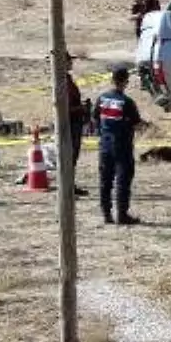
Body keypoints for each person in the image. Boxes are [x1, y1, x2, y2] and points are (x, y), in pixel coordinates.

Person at [92, 67, 148, 226]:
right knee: (123, 181)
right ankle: (122, 215)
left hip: (105, 145)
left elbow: (95, 117)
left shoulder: (102, 98)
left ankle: (106, 214)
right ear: (125, 82)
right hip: (122, 146)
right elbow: (137, 124)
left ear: (112, 79)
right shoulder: (127, 102)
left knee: (105, 180)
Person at [64, 53, 90, 198]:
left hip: (74, 122)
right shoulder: (63, 81)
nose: (71, 63)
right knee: (69, 156)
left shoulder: (67, 79)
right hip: (70, 124)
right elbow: (64, 108)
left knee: (72, 157)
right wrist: (81, 108)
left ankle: (70, 185)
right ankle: (68, 188)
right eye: (69, 61)